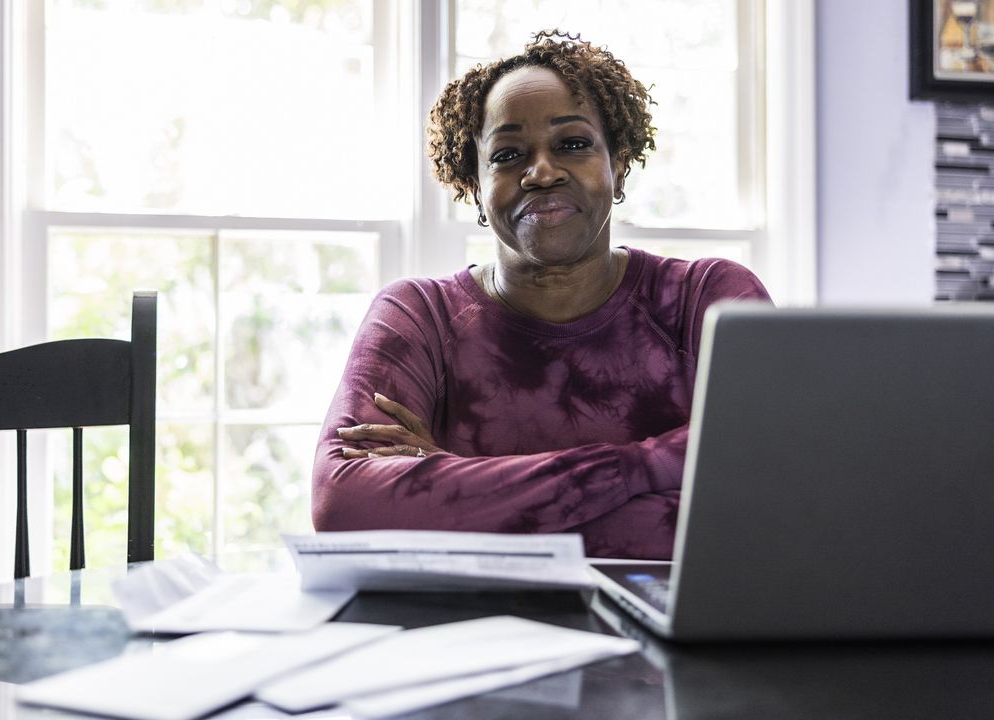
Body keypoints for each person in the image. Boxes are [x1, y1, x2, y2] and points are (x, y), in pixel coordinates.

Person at [311, 29, 770, 558]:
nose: (543, 172)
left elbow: (769, 501)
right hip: (466, 632)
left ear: (618, 166)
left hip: (688, 631)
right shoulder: (416, 317)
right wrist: (662, 463)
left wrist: (456, 486)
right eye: (507, 154)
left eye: (573, 144)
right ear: (475, 186)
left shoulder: (709, 301)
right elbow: (345, 506)